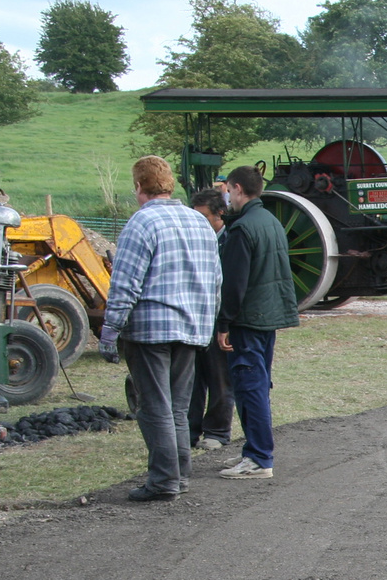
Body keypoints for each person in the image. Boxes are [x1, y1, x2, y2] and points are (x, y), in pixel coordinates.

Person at [98, 156, 222, 501]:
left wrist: (109, 333)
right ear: (169, 184)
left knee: (153, 406)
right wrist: (206, 325)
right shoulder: (199, 223)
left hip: (150, 329)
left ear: (138, 186)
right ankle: (180, 476)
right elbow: (215, 281)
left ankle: (164, 480)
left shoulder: (141, 223)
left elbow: (125, 285)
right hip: (192, 328)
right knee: (179, 407)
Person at [215, 165, 299, 481]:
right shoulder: (272, 222)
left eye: (228, 190)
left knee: (250, 387)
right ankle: (256, 452)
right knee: (259, 386)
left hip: (248, 320)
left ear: (237, 189)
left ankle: (259, 457)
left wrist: (224, 323)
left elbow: (235, 284)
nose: (226, 197)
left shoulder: (242, 229)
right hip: (269, 317)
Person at [187, 188, 234, 453]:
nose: (198, 221)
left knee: (219, 377)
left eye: (203, 216)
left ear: (220, 214)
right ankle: (190, 430)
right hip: (195, 317)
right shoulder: (193, 240)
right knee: (192, 378)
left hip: (218, 319)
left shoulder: (230, 241)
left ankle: (217, 431)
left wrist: (225, 323)